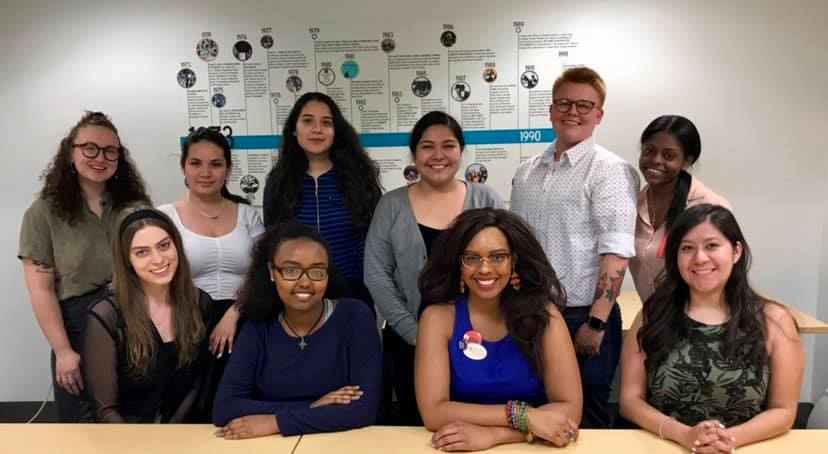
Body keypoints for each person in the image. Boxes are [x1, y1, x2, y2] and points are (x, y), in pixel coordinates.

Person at [509, 67, 639, 428]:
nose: (573, 112)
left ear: (599, 115)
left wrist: (596, 323)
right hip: (530, 314)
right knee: (536, 413)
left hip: (582, 317)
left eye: (585, 105)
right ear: (551, 110)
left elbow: (616, 253)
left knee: (587, 419)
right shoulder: (527, 171)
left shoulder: (610, 171)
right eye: (564, 103)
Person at [620, 204, 804, 452]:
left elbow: (783, 410)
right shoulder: (654, 313)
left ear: (736, 251)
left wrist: (727, 440)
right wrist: (686, 436)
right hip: (666, 445)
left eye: (712, 246)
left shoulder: (773, 320)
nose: (700, 258)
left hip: (744, 448)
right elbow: (630, 401)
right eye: (687, 248)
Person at [365, 111, 503, 425]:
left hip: (480, 339)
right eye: (427, 146)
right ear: (415, 154)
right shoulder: (391, 205)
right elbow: (376, 274)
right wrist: (415, 334)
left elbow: (503, 263)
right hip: (408, 340)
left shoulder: (485, 199)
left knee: (478, 423)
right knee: (422, 426)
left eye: (448, 145)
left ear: (461, 151)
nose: (438, 155)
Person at [18, 111, 150, 422]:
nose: (99, 157)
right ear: (70, 152)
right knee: (83, 425)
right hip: (78, 329)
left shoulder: (135, 207)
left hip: (134, 323)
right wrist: (64, 351)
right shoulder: (43, 213)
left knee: (134, 420)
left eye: (110, 151)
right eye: (89, 148)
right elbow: (40, 289)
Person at [415, 208, 582, 451]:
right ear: (458, 264)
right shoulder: (437, 319)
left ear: (514, 261)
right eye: (471, 258)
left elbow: (569, 411)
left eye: (497, 257)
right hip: (461, 448)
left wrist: (495, 435)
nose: (484, 269)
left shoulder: (544, 315)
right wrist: (526, 417)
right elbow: (434, 412)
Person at [213, 222, 381, 438]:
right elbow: (225, 408)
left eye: (317, 271)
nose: (305, 282)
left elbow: (364, 409)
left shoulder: (354, 316)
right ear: (272, 272)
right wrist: (313, 407)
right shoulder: (259, 324)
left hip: (340, 444)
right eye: (291, 270)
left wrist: (276, 422)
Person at [158, 127, 264, 418]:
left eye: (215, 164)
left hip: (242, 318)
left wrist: (234, 313)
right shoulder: (164, 216)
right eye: (196, 163)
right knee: (188, 409)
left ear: (228, 169)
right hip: (185, 321)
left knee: (239, 405)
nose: (205, 172)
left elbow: (262, 271)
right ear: (183, 167)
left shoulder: (247, 214)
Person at [83, 208, 209, 423]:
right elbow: (105, 410)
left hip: (181, 433)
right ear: (127, 261)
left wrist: (170, 436)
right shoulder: (106, 316)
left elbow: (197, 386)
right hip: (124, 438)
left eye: (164, 246)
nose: (158, 259)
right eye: (142, 252)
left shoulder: (200, 303)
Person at [262, 92, 382, 308]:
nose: (317, 129)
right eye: (307, 121)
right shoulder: (279, 182)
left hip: (353, 295)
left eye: (326, 123)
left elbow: (372, 240)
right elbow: (273, 242)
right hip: (296, 296)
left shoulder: (359, 177)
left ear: (336, 131)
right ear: (294, 129)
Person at [630, 115, 730, 302]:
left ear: (687, 161)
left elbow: (725, 275)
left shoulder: (710, 207)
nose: (656, 160)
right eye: (649, 151)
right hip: (653, 321)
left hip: (696, 322)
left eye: (669, 155)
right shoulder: (632, 202)